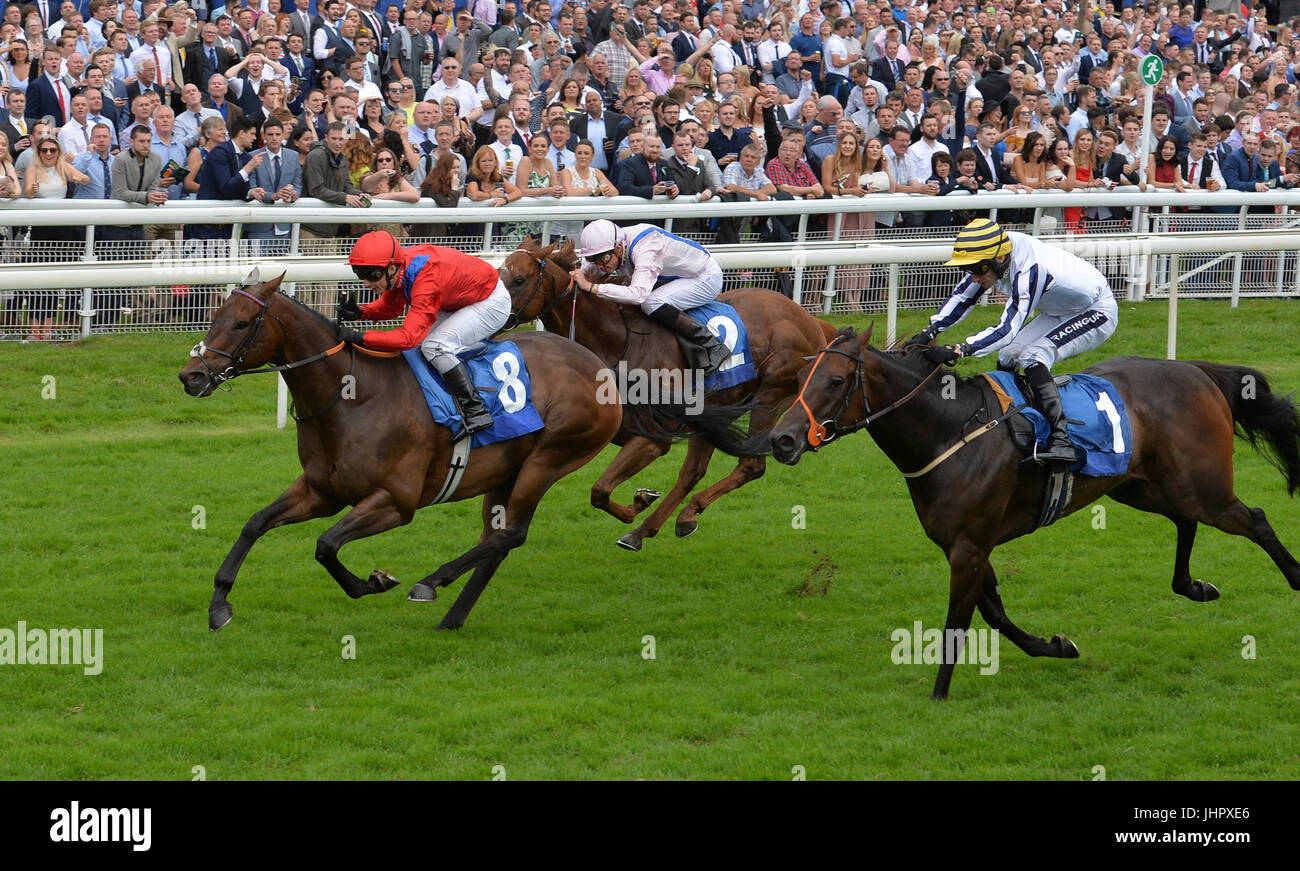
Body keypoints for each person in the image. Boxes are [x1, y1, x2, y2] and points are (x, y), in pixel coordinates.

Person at [905, 220, 1119, 467]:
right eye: (969, 269)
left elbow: (1007, 329)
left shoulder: (1030, 269)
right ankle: (1013, 423)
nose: (973, 277)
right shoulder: (994, 253)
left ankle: (1062, 440)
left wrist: (960, 349)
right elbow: (963, 297)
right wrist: (930, 331)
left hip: (1096, 310)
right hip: (1059, 309)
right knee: (1009, 355)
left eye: (977, 269)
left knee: (1032, 356)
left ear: (1000, 259)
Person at [338, 231, 512, 439]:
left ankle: (476, 411)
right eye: (361, 274)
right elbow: (392, 308)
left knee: (434, 346)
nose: (366, 283)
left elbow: (407, 338)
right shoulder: (400, 269)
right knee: (422, 346)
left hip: (491, 301)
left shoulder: (425, 278)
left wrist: (360, 337)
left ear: (391, 268)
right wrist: (361, 312)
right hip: (462, 297)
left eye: (372, 275)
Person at [568, 218, 730, 374]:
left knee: (650, 303)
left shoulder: (647, 247)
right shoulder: (612, 243)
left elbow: (638, 295)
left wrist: (591, 287)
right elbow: (588, 264)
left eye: (604, 259)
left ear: (618, 248)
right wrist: (577, 272)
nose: (600, 266)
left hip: (705, 277)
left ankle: (712, 345)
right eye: (594, 259)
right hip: (675, 276)